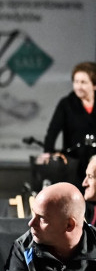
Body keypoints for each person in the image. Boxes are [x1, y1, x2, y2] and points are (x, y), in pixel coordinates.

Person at [40, 61, 96, 190]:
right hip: (74, 163)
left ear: (94, 85)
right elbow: (53, 130)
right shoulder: (66, 104)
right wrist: (48, 151)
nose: (78, 86)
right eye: (76, 82)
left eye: (83, 82)